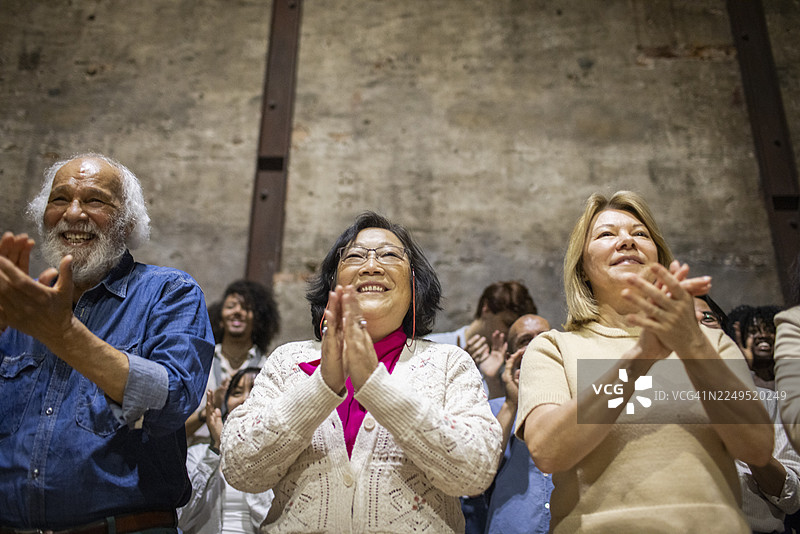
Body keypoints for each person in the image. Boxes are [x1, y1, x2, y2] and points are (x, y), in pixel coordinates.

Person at [220, 211, 503, 533]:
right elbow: (240, 469)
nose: (371, 266)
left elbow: (475, 473)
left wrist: (377, 387)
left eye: (390, 255)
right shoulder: (287, 361)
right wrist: (322, 386)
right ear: (333, 281)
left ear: (414, 284)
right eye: (354, 256)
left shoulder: (449, 362)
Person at [515, 191, 772, 533]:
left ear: (658, 260)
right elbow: (548, 451)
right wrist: (640, 358)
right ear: (582, 268)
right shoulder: (555, 348)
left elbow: (757, 447)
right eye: (606, 234)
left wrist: (692, 345)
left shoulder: (712, 343)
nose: (627, 241)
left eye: (640, 233)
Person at [0, 154, 214, 531]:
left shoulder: (169, 293)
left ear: (127, 222)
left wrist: (65, 335)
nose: (73, 213)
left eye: (94, 200)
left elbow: (173, 400)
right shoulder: (19, 306)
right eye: (59, 199)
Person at [696, 297, 800, 533]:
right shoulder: (644, 398)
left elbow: (792, 498)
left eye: (708, 318)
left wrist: (750, 447)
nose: (697, 326)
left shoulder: (768, 401)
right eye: (683, 320)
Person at [178, 367, 273, 533]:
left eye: (255, 391)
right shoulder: (197, 454)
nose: (245, 399)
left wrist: (246, 453)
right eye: (237, 393)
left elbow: (270, 522)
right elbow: (182, 519)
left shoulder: (279, 459)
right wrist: (218, 446)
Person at [483, 313, 554, 534]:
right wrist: (511, 403)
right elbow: (480, 475)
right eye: (525, 340)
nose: (536, 345)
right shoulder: (492, 410)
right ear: (511, 357)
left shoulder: (578, 404)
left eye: (543, 338)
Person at [185, 279, 280, 443]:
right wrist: (208, 410)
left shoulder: (268, 367)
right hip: (196, 453)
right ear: (220, 319)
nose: (237, 312)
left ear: (258, 321)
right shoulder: (198, 361)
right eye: (231, 306)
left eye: (246, 308)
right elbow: (175, 430)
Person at [427, 280, 537, 398]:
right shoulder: (433, 346)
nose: (511, 333)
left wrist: (493, 380)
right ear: (486, 309)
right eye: (507, 324)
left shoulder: (510, 363)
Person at [726, 304, 782, 390]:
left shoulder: (790, 374)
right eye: (753, 331)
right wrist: (744, 366)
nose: (763, 335)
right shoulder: (730, 377)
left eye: (769, 330)